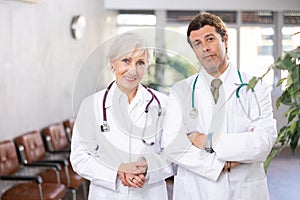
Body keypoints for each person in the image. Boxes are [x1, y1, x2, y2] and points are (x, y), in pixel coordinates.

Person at [162, 13, 277, 200]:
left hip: (243, 190)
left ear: (225, 40)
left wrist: (206, 141)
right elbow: (173, 145)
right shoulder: (180, 91)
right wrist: (218, 164)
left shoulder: (255, 88)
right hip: (196, 190)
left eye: (210, 39)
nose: (205, 48)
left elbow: (263, 142)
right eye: (197, 44)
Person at [70, 32, 173, 200]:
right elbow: (80, 157)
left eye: (140, 62)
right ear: (112, 63)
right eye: (126, 61)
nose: (133, 70)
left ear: (147, 66)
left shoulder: (164, 104)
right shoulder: (91, 105)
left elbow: (174, 155)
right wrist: (117, 171)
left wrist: (147, 168)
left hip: (148, 193)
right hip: (107, 194)